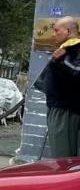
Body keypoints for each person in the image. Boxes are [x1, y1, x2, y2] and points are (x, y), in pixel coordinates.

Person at [34, 16, 80, 158]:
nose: (53, 34)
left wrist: (58, 63)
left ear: (67, 31)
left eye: (56, 30)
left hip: (65, 111)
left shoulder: (72, 49)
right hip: (61, 108)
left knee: (64, 160)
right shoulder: (65, 50)